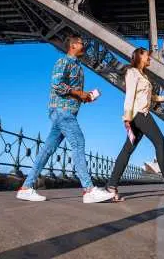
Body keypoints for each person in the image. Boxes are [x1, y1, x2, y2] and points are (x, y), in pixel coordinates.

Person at [16, 35, 115, 203]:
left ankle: (26, 188)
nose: (84, 46)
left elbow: (72, 91)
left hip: (66, 111)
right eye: (82, 43)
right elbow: (57, 84)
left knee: (47, 149)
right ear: (73, 45)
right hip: (62, 110)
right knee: (78, 142)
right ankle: (89, 190)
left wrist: (84, 97)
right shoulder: (64, 61)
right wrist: (78, 93)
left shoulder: (78, 66)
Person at [106, 47, 164, 202]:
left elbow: (152, 98)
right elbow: (130, 95)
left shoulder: (144, 75)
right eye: (147, 56)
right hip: (139, 114)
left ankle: (111, 186)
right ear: (139, 56)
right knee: (160, 142)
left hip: (140, 114)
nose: (150, 58)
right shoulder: (132, 73)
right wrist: (127, 118)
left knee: (127, 150)